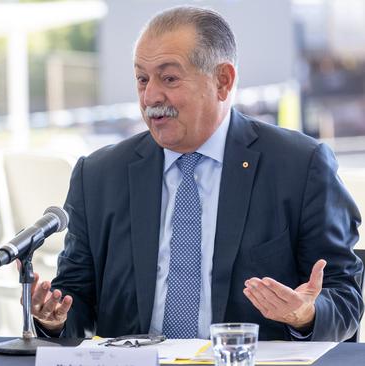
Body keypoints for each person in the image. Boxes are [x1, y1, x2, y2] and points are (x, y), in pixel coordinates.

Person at [30, 6, 363, 341]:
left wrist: (306, 314)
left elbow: (345, 298)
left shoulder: (300, 166)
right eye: (142, 79)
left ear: (223, 81)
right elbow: (75, 298)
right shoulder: (99, 175)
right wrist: (53, 318)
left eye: (169, 78)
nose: (150, 96)